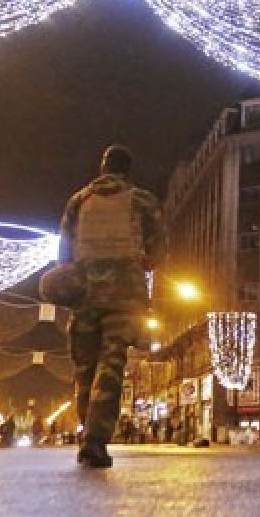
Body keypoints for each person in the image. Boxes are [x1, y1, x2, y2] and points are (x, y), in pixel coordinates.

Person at [49, 144, 164, 469]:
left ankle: (88, 430)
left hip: (84, 293)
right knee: (111, 362)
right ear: (127, 171)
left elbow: (64, 252)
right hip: (124, 294)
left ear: (103, 167)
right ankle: (95, 440)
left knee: (85, 366)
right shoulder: (142, 200)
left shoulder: (79, 200)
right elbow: (157, 251)